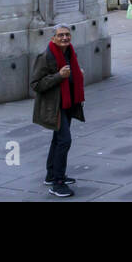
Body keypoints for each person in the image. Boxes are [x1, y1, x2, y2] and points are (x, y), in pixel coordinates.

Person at [31, 24, 85, 197]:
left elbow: (72, 73)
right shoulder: (45, 56)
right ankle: (58, 183)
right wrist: (59, 76)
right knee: (64, 140)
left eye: (67, 35)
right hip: (54, 105)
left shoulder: (69, 52)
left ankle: (51, 174)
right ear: (53, 38)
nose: (64, 38)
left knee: (58, 139)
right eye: (60, 35)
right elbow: (36, 84)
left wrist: (78, 74)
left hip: (68, 102)